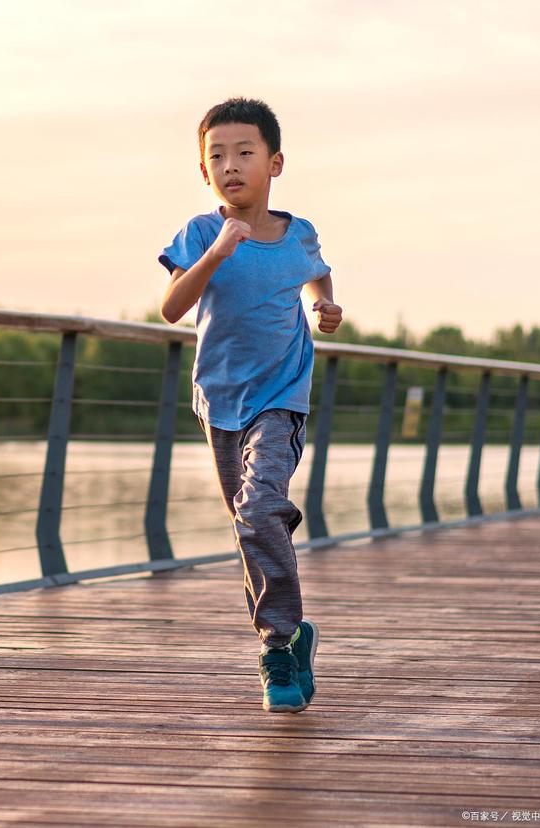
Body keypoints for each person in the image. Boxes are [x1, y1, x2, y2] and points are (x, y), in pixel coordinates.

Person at [156, 97, 343, 713]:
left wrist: (325, 304)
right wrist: (215, 255)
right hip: (220, 402)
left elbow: (315, 269)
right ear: (203, 171)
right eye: (217, 156)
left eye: (244, 152)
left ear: (275, 163)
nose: (230, 165)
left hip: (281, 398)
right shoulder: (200, 233)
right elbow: (172, 308)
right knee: (249, 523)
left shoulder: (299, 233)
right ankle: (292, 632)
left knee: (259, 507)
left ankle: (279, 643)